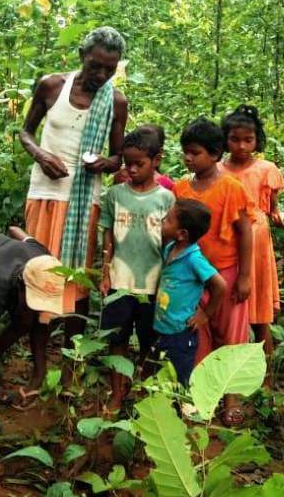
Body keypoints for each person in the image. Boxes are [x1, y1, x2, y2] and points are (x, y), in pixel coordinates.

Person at [18, 26, 129, 386]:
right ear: (82, 55)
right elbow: (25, 132)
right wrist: (40, 154)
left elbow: (119, 158)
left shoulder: (115, 102)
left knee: (77, 289)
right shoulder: (52, 86)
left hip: (84, 205)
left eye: (108, 70)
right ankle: (37, 372)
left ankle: (69, 371)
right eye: (95, 66)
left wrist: (105, 164)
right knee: (38, 278)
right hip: (46, 197)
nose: (100, 75)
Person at [172, 118, 252, 426]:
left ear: (216, 155)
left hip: (227, 272)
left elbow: (245, 232)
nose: (188, 158)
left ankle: (231, 399)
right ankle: (200, 396)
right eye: (186, 153)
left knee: (230, 335)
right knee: (197, 336)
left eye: (195, 153)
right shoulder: (181, 188)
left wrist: (244, 276)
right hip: (192, 276)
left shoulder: (231, 188)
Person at [0, 226, 56, 465]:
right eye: (33, 301)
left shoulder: (43, 261)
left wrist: (39, 375)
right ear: (20, 286)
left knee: (26, 319)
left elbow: (18, 232)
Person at [98, 127, 175, 412]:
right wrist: (105, 271)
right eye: (127, 163)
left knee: (149, 341)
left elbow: (170, 243)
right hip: (120, 280)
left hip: (153, 282)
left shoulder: (166, 198)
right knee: (116, 339)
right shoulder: (115, 195)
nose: (131, 169)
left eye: (138, 164)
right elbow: (107, 235)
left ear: (156, 160)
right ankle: (117, 393)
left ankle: (144, 393)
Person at [221, 105, 284, 380]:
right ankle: (228, 373)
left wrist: (279, 215)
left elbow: (272, 208)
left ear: (257, 140)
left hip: (257, 245)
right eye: (235, 139)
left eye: (247, 140)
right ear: (224, 139)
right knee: (227, 307)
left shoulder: (266, 169)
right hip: (225, 244)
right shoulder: (216, 169)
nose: (241, 146)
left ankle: (265, 377)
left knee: (259, 312)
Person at [153, 200, 227, 385]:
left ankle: (181, 409)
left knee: (179, 378)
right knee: (162, 373)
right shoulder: (170, 248)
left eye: (168, 220)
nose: (163, 221)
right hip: (162, 326)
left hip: (180, 331)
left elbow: (220, 285)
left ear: (182, 234)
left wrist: (205, 314)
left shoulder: (194, 259)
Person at [112, 123, 175, 190]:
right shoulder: (122, 177)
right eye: (128, 163)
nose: (133, 169)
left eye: (140, 164)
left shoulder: (166, 184)